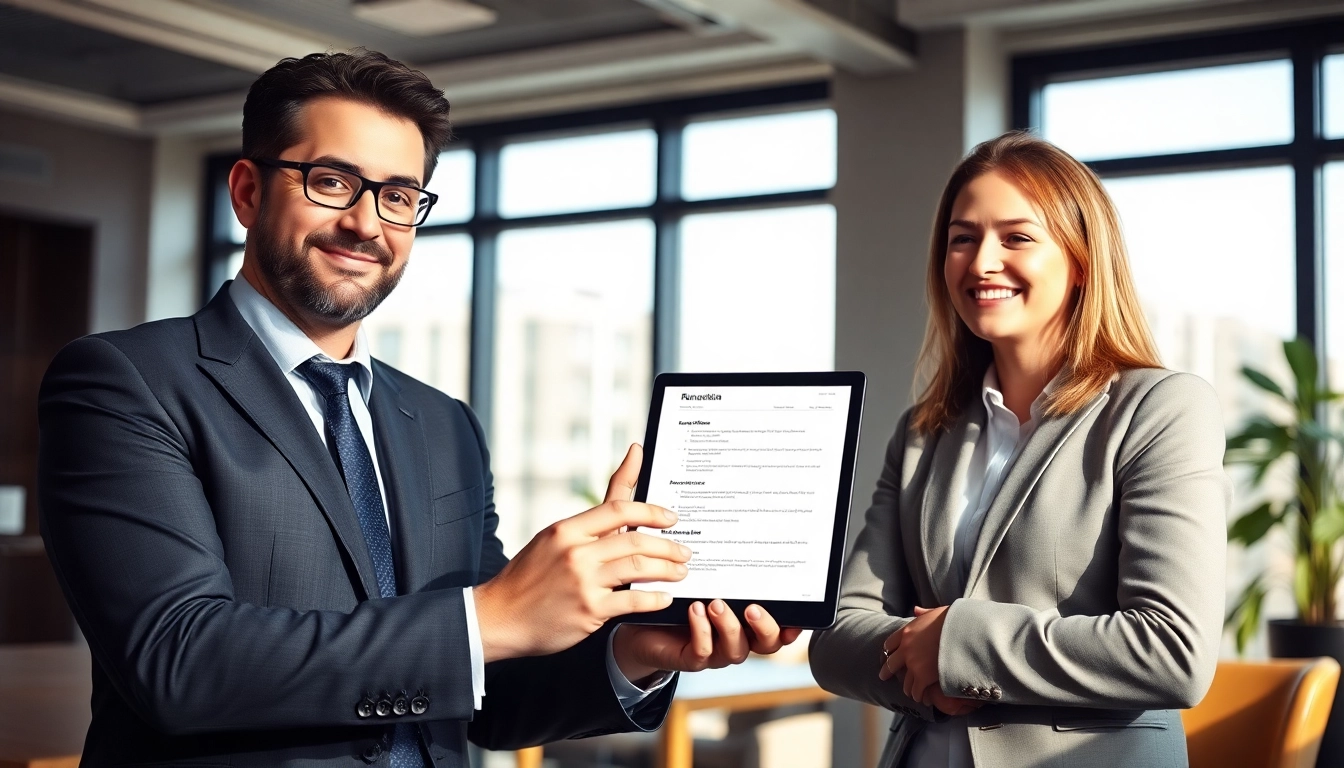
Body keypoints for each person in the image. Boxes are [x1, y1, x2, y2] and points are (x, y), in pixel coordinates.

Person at [38, 50, 798, 767]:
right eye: (331, 182)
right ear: (247, 191)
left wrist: (633, 651)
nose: (367, 224)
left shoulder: (441, 425)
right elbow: (180, 660)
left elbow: (481, 692)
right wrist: (490, 616)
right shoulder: (124, 382)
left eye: (398, 197)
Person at [809, 131, 1229, 768]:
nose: (980, 262)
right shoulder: (924, 432)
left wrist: (957, 645)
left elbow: (1173, 652)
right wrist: (925, 669)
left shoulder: (1161, 409)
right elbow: (837, 634)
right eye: (962, 238)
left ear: (1081, 258)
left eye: (1017, 237)